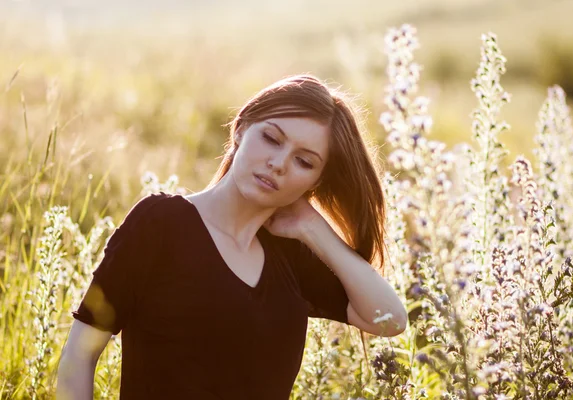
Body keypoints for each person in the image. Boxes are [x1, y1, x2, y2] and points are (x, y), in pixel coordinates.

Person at [56, 74, 407, 399]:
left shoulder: (291, 257)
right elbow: (79, 356)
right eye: (271, 138)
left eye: (304, 162)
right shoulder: (160, 225)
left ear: (315, 182)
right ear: (240, 129)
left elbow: (390, 319)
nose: (279, 163)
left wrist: (313, 228)